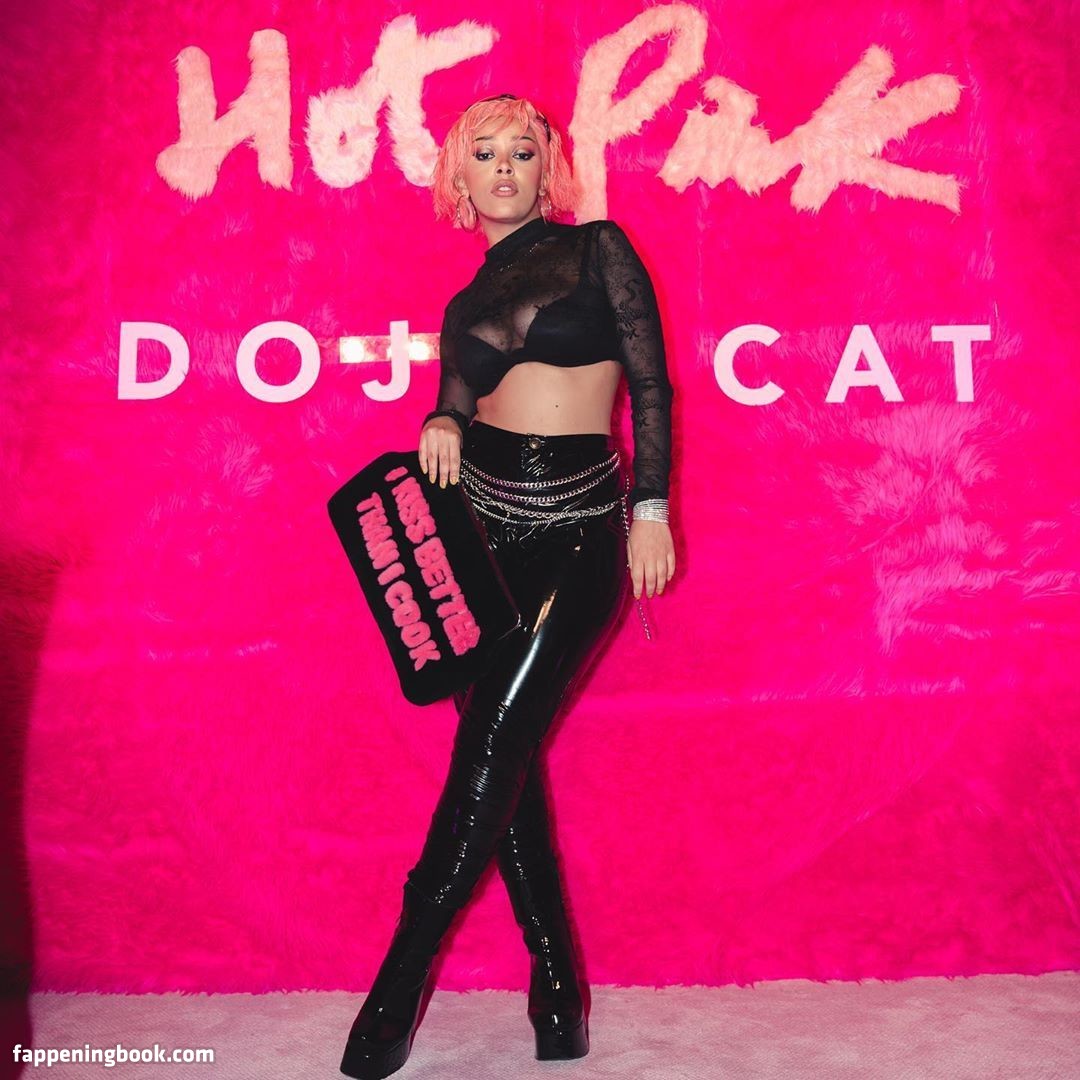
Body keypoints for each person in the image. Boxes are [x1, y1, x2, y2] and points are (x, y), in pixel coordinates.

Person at [340, 93, 676, 1080]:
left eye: (520, 153)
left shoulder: (598, 249)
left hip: (578, 532)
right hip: (478, 538)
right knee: (505, 759)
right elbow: (454, 400)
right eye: (482, 153)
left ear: (545, 168)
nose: (501, 169)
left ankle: (398, 983)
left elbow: (649, 386)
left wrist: (651, 507)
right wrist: (441, 420)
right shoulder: (461, 307)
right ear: (458, 174)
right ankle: (557, 991)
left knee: (491, 747)